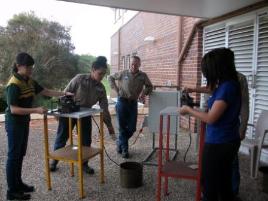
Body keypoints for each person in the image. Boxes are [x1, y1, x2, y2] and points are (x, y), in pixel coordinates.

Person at [5, 52, 72, 200]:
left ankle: (18, 184)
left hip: (23, 122)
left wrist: (64, 93)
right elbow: (13, 109)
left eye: (31, 67)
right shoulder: (13, 84)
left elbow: (46, 91)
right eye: (28, 67)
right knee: (13, 156)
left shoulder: (29, 80)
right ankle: (11, 192)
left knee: (20, 154)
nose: (30, 69)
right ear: (18, 66)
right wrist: (36, 110)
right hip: (14, 123)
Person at [179, 48, 241, 201]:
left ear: (218, 68)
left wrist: (188, 110)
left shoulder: (227, 88)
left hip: (219, 143)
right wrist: (193, 88)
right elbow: (212, 89)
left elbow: (211, 118)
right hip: (228, 140)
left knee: (209, 184)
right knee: (224, 182)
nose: (207, 74)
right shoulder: (229, 83)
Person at [50, 56, 115, 173]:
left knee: (86, 141)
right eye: (100, 73)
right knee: (62, 137)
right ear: (93, 70)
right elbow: (64, 95)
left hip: (85, 115)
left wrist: (110, 126)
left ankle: (84, 164)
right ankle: (54, 160)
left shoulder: (101, 88)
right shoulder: (79, 79)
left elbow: (104, 108)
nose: (101, 77)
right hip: (70, 113)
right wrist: (59, 113)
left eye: (104, 74)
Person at [108, 56, 153, 158]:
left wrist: (143, 93)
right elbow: (109, 77)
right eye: (132, 64)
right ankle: (125, 149)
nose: (134, 66)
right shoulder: (123, 73)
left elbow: (150, 86)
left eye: (136, 64)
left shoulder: (143, 76)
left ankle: (119, 142)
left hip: (133, 104)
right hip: (122, 102)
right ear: (130, 64)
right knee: (122, 127)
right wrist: (115, 89)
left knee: (132, 128)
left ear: (139, 65)